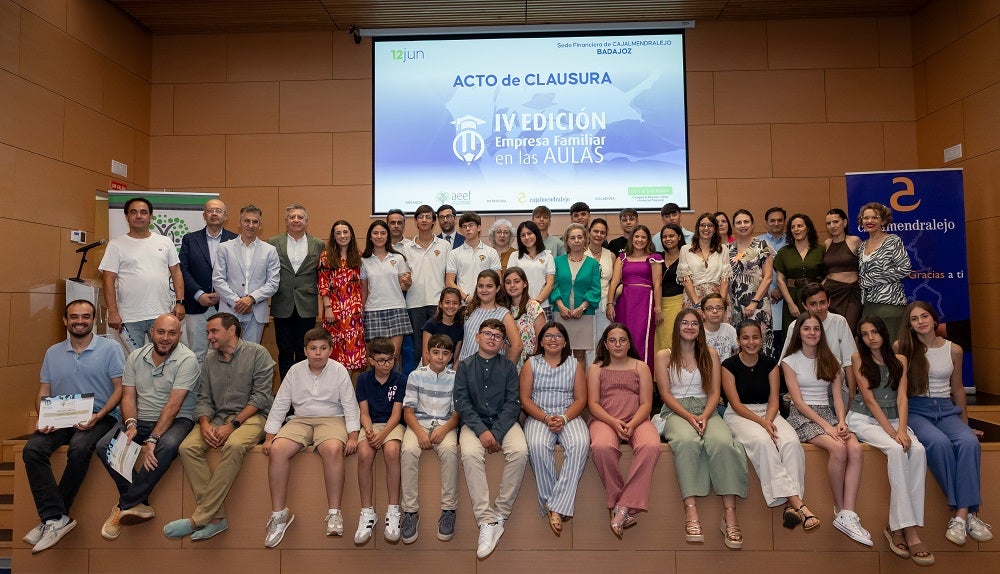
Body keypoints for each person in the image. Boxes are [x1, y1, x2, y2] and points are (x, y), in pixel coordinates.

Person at [21, 300, 125, 553]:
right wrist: (43, 417)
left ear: (93, 320)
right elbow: (44, 390)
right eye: (74, 317)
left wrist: (99, 415)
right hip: (60, 418)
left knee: (79, 448)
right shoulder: (52, 352)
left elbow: (120, 388)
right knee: (32, 449)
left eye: (86, 316)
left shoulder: (110, 349)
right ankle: (55, 518)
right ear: (65, 321)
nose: (80, 321)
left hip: (100, 416)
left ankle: (54, 517)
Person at [166, 312, 274, 541]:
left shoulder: (258, 353)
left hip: (252, 416)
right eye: (207, 332)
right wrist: (204, 424)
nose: (209, 337)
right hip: (217, 417)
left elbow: (261, 397)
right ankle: (217, 518)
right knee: (187, 448)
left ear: (231, 330)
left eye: (214, 331)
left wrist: (232, 425)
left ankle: (200, 518)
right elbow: (204, 398)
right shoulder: (209, 360)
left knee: (234, 445)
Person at [95, 314, 199, 541]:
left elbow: (174, 406)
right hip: (140, 419)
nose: (165, 338)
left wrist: (153, 438)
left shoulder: (187, 359)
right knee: (104, 445)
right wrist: (131, 424)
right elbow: (128, 397)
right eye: (160, 332)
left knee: (167, 446)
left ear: (179, 335)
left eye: (172, 333)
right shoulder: (135, 356)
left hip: (177, 419)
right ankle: (139, 502)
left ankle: (123, 505)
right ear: (151, 332)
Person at [896, 301, 992, 546]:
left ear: (934, 319)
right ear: (910, 325)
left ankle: (961, 516)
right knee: (939, 444)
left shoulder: (954, 349)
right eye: (914, 318)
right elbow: (898, 390)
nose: (920, 321)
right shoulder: (902, 347)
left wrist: (965, 424)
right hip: (916, 409)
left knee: (969, 442)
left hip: (946, 410)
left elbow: (958, 389)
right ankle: (968, 513)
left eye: (924, 316)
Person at [655, 310, 748, 549]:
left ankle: (729, 515)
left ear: (700, 328)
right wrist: (688, 416)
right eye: (684, 323)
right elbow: (664, 394)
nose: (689, 327)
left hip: (707, 409)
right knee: (687, 442)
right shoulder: (664, 355)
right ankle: (691, 511)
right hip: (676, 411)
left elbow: (715, 392)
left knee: (723, 442)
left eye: (694, 323)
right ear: (677, 327)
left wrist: (705, 416)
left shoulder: (710, 354)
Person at [262, 327, 361, 547]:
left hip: (332, 418)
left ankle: (334, 513)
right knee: (277, 449)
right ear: (305, 350)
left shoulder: (339, 370)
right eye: (313, 348)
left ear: (330, 350)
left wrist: (353, 436)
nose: (318, 353)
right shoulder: (295, 371)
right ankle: (279, 515)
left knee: (333, 449)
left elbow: (350, 405)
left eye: (323, 348)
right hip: (300, 419)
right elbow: (280, 404)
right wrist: (269, 437)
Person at [781, 312, 871, 546]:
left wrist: (840, 421)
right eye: (807, 328)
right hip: (803, 416)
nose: (812, 333)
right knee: (839, 449)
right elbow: (798, 402)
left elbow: (837, 397)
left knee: (856, 449)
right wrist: (827, 428)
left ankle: (848, 513)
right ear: (799, 332)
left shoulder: (831, 359)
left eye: (816, 329)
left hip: (829, 414)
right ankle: (839, 509)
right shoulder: (789, 361)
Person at [848, 316, 932, 565]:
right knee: (896, 450)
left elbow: (902, 398)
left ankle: (898, 525)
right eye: (865, 334)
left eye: (875, 332)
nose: (870, 338)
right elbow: (870, 400)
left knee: (918, 451)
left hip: (895, 419)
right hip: (865, 418)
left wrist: (902, 429)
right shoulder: (858, 358)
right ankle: (909, 531)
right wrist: (893, 434)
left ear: (884, 333)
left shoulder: (900, 359)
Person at [721, 320, 814, 530]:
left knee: (790, 442)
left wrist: (769, 421)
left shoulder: (771, 364)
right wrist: (762, 424)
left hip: (769, 412)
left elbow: (774, 399)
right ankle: (797, 502)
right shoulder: (728, 366)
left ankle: (790, 508)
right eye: (745, 338)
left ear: (761, 339)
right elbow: (735, 404)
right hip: (740, 414)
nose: (751, 342)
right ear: (738, 340)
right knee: (763, 441)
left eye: (755, 337)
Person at [454, 318, 528, 559]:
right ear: (477, 337)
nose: (492, 339)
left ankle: (500, 515)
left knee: (520, 451)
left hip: (504, 423)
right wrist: (482, 431)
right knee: (470, 453)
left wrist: (495, 433)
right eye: (487, 334)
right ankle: (486, 520)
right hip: (474, 423)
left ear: (503, 343)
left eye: (497, 336)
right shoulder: (465, 366)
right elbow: (462, 403)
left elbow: (513, 403)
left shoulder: (509, 367)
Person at [588, 324, 660, 538]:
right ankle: (620, 502)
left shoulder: (641, 367)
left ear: (629, 343)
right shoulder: (596, 368)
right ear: (605, 344)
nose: (618, 344)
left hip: (637, 419)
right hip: (605, 419)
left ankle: (623, 507)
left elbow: (646, 403)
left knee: (651, 445)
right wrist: (613, 422)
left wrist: (632, 423)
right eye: (612, 340)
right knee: (601, 447)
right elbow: (593, 404)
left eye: (622, 340)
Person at [519, 322, 589, 536]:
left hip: (569, 415)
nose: (553, 340)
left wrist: (564, 418)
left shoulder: (574, 364)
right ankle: (556, 505)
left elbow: (581, 399)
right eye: (548, 336)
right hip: (539, 416)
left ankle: (554, 506)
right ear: (540, 341)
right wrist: (546, 417)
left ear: (565, 342)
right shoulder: (531, 363)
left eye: (558, 336)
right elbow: (525, 399)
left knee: (580, 444)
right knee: (537, 445)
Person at [100, 197, 186, 348]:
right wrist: (113, 312)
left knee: (163, 357)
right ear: (126, 216)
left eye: (143, 212)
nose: (139, 216)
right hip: (129, 317)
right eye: (133, 212)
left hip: (161, 314)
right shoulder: (116, 245)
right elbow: (108, 279)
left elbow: (176, 272)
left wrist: (180, 303)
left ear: (150, 216)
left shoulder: (165, 242)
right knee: (133, 359)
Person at [400, 334, 460, 544]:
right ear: (427, 353)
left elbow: (457, 413)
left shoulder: (455, 378)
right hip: (419, 424)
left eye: (445, 353)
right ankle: (410, 512)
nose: (440, 357)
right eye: (436, 352)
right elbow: (408, 412)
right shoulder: (415, 376)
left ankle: (449, 510)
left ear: (451, 356)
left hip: (445, 425)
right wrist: (419, 433)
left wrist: (444, 430)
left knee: (450, 451)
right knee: (408, 451)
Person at [354, 337, 406, 544]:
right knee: (364, 453)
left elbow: (396, 415)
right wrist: (369, 431)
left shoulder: (400, 380)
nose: (387, 364)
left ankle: (393, 511)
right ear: (371, 361)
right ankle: (367, 512)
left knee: (392, 451)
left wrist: (382, 435)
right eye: (381, 360)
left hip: (391, 426)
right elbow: (364, 412)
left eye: (390, 359)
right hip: (371, 425)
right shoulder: (363, 379)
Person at [267, 204, 325, 379]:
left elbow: (322, 274)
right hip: (282, 302)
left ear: (306, 221)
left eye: (300, 217)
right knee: (284, 350)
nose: (296, 220)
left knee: (304, 350)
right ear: (286, 221)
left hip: (306, 304)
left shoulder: (318, 244)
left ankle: (303, 389)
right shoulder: (273, 242)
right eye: (292, 217)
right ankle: (287, 390)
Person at [179, 198, 237, 363]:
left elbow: (238, 273)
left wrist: (222, 293)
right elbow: (183, 269)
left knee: (226, 352)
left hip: (225, 305)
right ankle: (198, 382)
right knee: (196, 354)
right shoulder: (190, 239)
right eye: (210, 211)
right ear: (204, 215)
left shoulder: (235, 240)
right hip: (197, 304)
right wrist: (199, 294)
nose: (214, 214)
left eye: (218, 211)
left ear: (225, 216)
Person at [212, 204, 280, 344]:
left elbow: (273, 283)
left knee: (251, 353)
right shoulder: (224, 248)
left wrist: (251, 299)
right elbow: (218, 279)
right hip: (229, 310)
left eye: (255, 221)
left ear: (260, 225)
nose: (250, 225)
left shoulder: (270, 250)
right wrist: (237, 302)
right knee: (227, 352)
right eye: (246, 221)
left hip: (256, 311)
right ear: (239, 222)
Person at [781, 283, 858, 403]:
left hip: (834, 382)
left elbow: (850, 360)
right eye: (813, 304)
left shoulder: (839, 321)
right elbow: (786, 360)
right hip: (804, 386)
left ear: (829, 302)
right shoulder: (794, 326)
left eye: (822, 302)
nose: (819, 308)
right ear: (804, 306)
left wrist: (852, 395)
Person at [402, 204, 452, 371]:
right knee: (418, 348)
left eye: (428, 217)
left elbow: (449, 276)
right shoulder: (406, 248)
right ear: (416, 221)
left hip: (437, 303)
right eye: (420, 217)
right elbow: (404, 279)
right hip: (414, 303)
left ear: (433, 221)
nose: (424, 220)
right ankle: (421, 379)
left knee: (440, 345)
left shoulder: (444, 246)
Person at [607, 224, 663, 372]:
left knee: (641, 338)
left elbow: (657, 284)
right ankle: (622, 374)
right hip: (624, 303)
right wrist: (610, 303)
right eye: (637, 236)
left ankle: (643, 375)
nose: (639, 240)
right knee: (623, 337)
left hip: (645, 302)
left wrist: (658, 309)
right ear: (632, 239)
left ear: (648, 240)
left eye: (643, 237)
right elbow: (614, 282)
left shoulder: (654, 258)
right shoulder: (622, 258)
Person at [360, 220, 412, 368]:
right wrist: (361, 311)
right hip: (373, 310)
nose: (379, 236)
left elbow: (404, 286)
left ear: (387, 236)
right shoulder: (364, 261)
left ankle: (395, 384)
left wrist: (408, 282)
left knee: (393, 356)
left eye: (383, 233)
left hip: (396, 309)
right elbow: (364, 290)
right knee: (376, 358)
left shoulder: (398, 258)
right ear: (370, 236)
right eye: (375, 233)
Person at [858, 202, 911, 342]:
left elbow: (905, 268)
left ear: (883, 220)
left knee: (891, 348)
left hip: (890, 304)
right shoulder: (862, 246)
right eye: (866, 218)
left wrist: (870, 279)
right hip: (869, 305)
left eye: (875, 217)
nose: (869, 221)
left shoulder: (892, 241)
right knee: (872, 347)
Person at [318, 220, 367, 371]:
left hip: (354, 313)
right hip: (333, 311)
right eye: (338, 233)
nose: (342, 236)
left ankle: (347, 386)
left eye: (345, 232)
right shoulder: (326, 256)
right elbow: (323, 284)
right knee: (334, 351)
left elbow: (363, 285)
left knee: (351, 353)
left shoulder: (359, 256)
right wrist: (328, 308)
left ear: (351, 234)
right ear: (334, 236)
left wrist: (362, 308)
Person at [551, 223, 601, 364]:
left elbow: (595, 289)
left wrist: (581, 308)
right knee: (561, 352)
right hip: (561, 313)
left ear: (585, 239)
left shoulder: (592, 263)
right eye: (572, 238)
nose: (576, 241)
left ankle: (580, 380)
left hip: (584, 314)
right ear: (567, 241)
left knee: (580, 354)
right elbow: (553, 286)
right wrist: (561, 307)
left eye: (580, 237)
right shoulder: (557, 261)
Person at [728, 209, 775, 352]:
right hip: (736, 306)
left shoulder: (762, 245)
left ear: (752, 224)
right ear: (734, 226)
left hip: (758, 304)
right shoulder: (729, 249)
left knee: (760, 343)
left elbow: (768, 277)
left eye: (746, 222)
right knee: (739, 346)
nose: (743, 225)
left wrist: (754, 302)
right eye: (739, 223)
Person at [775, 213, 825, 332]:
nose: (796, 229)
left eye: (800, 226)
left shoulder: (820, 250)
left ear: (808, 228)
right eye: (793, 227)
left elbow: (828, 275)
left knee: (815, 330)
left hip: (814, 297)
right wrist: (790, 304)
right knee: (793, 333)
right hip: (792, 297)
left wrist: (818, 296)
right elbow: (780, 280)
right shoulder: (784, 252)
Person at [457, 270, 522, 363]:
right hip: (466, 366)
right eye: (480, 286)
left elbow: (517, 346)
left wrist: (506, 369)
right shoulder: (470, 310)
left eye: (489, 286)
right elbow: (466, 341)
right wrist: (458, 364)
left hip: (490, 368)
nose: (484, 290)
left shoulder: (504, 314)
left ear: (497, 288)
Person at [677, 213, 731, 311]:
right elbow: (686, 280)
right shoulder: (685, 250)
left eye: (710, 225)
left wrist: (720, 305)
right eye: (703, 225)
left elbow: (725, 280)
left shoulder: (723, 249)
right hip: (693, 299)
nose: (706, 228)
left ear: (715, 229)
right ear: (698, 228)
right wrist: (697, 305)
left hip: (717, 297)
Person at [445, 211, 502, 305]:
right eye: (464, 226)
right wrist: (466, 298)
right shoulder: (454, 253)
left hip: (487, 303)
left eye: (471, 225)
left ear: (479, 227)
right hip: (464, 303)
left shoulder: (491, 252)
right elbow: (449, 282)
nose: (467, 229)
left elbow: (498, 280)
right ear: (461, 230)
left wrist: (486, 298)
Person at [823, 208, 862, 332]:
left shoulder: (855, 240)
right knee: (832, 329)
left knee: (849, 329)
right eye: (828, 223)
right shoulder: (827, 243)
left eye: (835, 222)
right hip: (831, 292)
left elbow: (865, 265)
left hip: (851, 293)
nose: (832, 226)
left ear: (844, 222)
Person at [756, 207, 788, 355]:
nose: (776, 223)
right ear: (766, 223)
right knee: (767, 339)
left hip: (787, 297)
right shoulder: (757, 242)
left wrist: (781, 289)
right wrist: (769, 290)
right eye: (772, 220)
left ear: (784, 222)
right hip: (763, 296)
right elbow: (752, 271)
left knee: (786, 339)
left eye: (779, 220)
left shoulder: (792, 241)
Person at [509, 220, 556, 320]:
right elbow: (510, 282)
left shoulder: (548, 256)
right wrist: (526, 304)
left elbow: (550, 284)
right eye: (523, 235)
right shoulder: (514, 256)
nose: (527, 237)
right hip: (519, 307)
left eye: (529, 233)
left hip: (542, 306)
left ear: (536, 234)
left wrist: (535, 303)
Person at [502, 267, 545, 367]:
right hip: (510, 361)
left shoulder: (533, 306)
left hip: (530, 362)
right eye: (508, 282)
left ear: (525, 284)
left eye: (516, 281)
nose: (512, 285)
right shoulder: (504, 309)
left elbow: (541, 338)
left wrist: (533, 363)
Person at [586, 218, 615, 363]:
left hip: (605, 305)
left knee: (603, 341)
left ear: (606, 235)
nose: (598, 235)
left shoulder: (611, 255)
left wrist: (610, 303)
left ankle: (601, 374)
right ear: (589, 232)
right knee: (586, 344)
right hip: (584, 304)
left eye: (602, 232)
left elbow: (614, 282)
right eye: (595, 231)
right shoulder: (580, 253)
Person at [655, 223, 685, 353]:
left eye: (671, 236)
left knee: (677, 340)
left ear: (679, 237)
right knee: (660, 342)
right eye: (664, 237)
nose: (668, 239)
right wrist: (657, 308)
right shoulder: (657, 257)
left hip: (679, 304)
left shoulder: (686, 255)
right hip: (660, 305)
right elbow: (656, 283)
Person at [421, 287, 464, 368]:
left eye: (455, 303)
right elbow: (425, 356)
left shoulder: (460, 327)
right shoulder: (430, 324)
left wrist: (453, 371)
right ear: (440, 304)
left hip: (448, 367)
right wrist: (431, 373)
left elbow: (456, 356)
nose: (451, 306)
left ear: (460, 306)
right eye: (447, 302)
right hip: (429, 366)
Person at [702, 293, 738, 362]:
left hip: (726, 367)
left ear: (725, 313)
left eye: (719, 308)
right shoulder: (698, 331)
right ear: (703, 314)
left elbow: (738, 348)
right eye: (709, 308)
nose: (715, 311)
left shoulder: (729, 328)